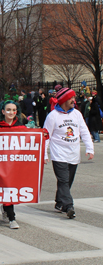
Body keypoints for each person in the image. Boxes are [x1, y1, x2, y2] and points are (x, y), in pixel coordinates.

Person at [44, 87, 94, 219]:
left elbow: (84, 131)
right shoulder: (53, 116)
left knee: (67, 181)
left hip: (74, 154)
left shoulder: (77, 114)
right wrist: (44, 154)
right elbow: (45, 136)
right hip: (58, 154)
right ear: (64, 100)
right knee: (64, 180)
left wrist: (90, 148)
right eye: (71, 98)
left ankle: (59, 202)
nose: (74, 100)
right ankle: (69, 206)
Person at [0, 100, 24, 229]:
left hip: (15, 164)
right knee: (6, 187)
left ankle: (7, 209)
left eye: (13, 110)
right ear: (3, 111)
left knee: (11, 188)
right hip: (0, 164)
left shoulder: (21, 126)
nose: (11, 112)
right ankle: (12, 218)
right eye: (8, 110)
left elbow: (34, 137)